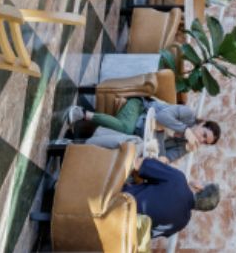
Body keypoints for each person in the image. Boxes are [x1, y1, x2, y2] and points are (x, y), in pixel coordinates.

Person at [62, 102, 220, 163]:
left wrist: (176, 152)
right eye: (204, 134)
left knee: (129, 150)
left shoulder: (186, 146)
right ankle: (82, 113)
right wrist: (185, 131)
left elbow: (166, 158)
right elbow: (161, 116)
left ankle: (77, 148)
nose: (201, 139)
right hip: (140, 111)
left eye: (205, 142)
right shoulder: (188, 115)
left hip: (140, 137)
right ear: (203, 123)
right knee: (126, 129)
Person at [123, 154, 220, 247]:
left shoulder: (178, 179)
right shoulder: (182, 223)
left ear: (199, 188)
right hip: (124, 238)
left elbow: (138, 164)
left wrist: (158, 163)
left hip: (116, 204)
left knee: (135, 143)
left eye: (202, 181)